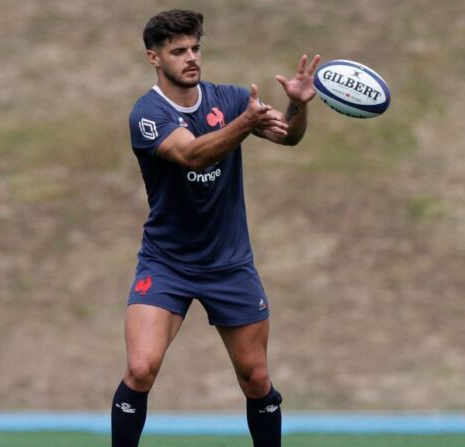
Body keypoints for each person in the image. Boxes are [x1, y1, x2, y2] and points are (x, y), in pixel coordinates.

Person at [112, 9, 320, 447]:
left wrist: (297, 105)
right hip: (167, 261)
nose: (191, 58)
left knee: (256, 378)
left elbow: (289, 137)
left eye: (195, 48)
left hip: (229, 263)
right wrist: (245, 123)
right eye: (178, 51)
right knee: (140, 369)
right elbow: (193, 156)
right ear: (154, 58)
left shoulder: (226, 99)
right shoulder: (147, 115)